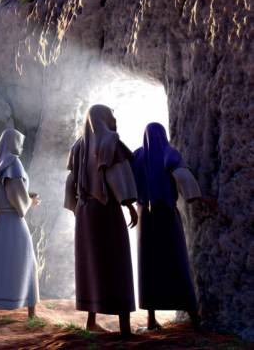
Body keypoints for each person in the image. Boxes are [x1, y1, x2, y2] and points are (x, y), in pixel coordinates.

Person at [64, 104, 139, 337]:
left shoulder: (78, 146)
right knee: (117, 263)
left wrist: (76, 208)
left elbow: (70, 182)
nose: (114, 118)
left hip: (85, 213)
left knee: (92, 265)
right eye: (111, 114)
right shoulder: (110, 141)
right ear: (103, 118)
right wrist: (129, 204)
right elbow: (116, 175)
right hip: (106, 211)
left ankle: (90, 321)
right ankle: (125, 328)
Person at [131, 122, 208, 331]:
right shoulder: (168, 153)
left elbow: (126, 180)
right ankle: (194, 319)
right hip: (165, 214)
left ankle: (150, 320)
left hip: (144, 218)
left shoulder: (137, 156)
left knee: (150, 267)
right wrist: (197, 197)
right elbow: (182, 176)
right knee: (176, 262)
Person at [0, 128, 41, 323]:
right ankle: (31, 314)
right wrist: (30, 202)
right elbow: (16, 196)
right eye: (19, 142)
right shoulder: (13, 163)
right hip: (13, 221)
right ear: (12, 142)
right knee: (27, 262)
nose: (21, 147)